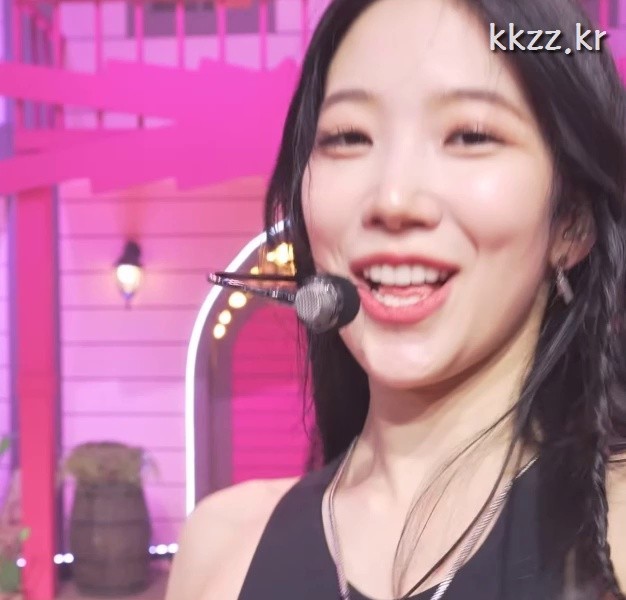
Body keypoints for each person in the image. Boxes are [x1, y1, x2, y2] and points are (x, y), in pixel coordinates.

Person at [165, 0, 626, 597]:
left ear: (572, 222)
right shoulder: (222, 546)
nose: (393, 198)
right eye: (349, 136)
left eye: (471, 135)